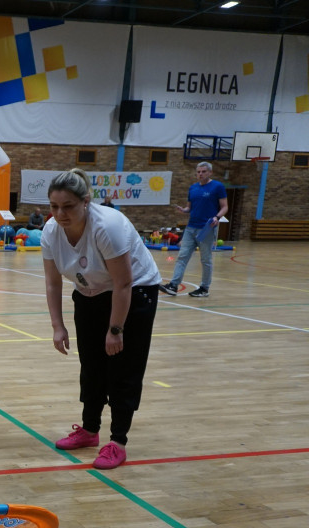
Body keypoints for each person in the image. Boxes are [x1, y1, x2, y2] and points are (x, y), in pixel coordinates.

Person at [41, 168, 160, 470]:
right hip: (90, 292)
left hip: (133, 291)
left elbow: (123, 283)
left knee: (122, 367)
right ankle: (89, 430)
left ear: (86, 202)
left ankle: (117, 441)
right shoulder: (51, 232)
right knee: (91, 364)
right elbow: (53, 282)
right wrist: (58, 325)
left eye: (67, 206)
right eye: (54, 206)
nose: (60, 213)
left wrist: (116, 329)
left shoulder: (106, 227)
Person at [159, 161, 228, 298]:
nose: (200, 174)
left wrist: (217, 217)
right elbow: (189, 207)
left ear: (210, 172)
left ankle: (204, 287)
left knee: (206, 259)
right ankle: (173, 285)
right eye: (198, 172)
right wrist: (183, 210)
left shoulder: (217, 187)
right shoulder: (193, 188)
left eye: (203, 171)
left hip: (206, 228)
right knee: (182, 256)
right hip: (191, 228)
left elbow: (225, 207)